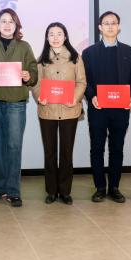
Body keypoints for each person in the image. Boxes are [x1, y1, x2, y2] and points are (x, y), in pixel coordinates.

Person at [82, 11, 131, 203]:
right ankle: (100, 187)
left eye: (113, 23)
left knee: (117, 148)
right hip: (98, 108)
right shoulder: (89, 53)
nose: (110, 26)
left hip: (121, 109)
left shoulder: (128, 52)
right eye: (106, 23)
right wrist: (91, 96)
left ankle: (114, 187)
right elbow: (84, 80)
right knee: (97, 149)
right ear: (100, 27)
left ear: (119, 27)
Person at [0, 8, 38, 207]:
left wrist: (28, 76)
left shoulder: (24, 46)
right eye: (3, 21)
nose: (7, 25)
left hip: (16, 103)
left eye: (11, 21)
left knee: (14, 147)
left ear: (16, 25)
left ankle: (13, 191)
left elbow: (33, 71)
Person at [32, 22, 86, 205]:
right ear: (47, 38)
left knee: (66, 153)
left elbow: (81, 82)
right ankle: (51, 191)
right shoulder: (41, 60)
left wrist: (75, 98)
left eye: (59, 34)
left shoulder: (75, 58)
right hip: (47, 111)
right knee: (49, 153)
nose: (55, 37)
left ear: (65, 36)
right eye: (51, 34)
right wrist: (39, 97)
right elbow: (36, 83)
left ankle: (65, 191)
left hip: (69, 111)